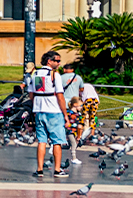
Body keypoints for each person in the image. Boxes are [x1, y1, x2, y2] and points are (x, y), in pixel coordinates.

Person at [29, 50, 69, 178]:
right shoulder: (54, 75)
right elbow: (60, 96)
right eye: (57, 60)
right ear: (49, 61)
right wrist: (66, 115)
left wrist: (37, 104)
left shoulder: (36, 74)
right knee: (57, 142)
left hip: (39, 111)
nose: (59, 63)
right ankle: (57, 170)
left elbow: (31, 94)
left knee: (42, 141)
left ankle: (39, 170)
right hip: (54, 112)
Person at [58, 62, 84, 166]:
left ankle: (62, 139)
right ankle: (72, 138)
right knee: (76, 120)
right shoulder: (78, 77)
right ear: (73, 69)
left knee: (63, 120)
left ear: (64, 69)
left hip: (64, 102)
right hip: (75, 102)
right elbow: (81, 89)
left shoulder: (60, 77)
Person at [76, 80, 100, 145]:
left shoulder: (80, 87)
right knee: (92, 118)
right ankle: (92, 135)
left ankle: (79, 136)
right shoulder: (89, 85)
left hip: (88, 100)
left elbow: (81, 92)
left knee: (83, 118)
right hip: (95, 100)